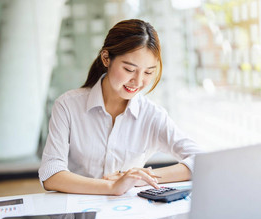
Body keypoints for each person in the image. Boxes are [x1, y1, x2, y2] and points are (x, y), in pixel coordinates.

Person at [38, 19, 202, 196]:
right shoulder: (68, 106)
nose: (138, 82)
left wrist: (139, 177)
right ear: (106, 58)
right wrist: (111, 187)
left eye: (148, 72)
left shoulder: (152, 115)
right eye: (129, 69)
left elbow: (201, 160)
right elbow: (50, 173)